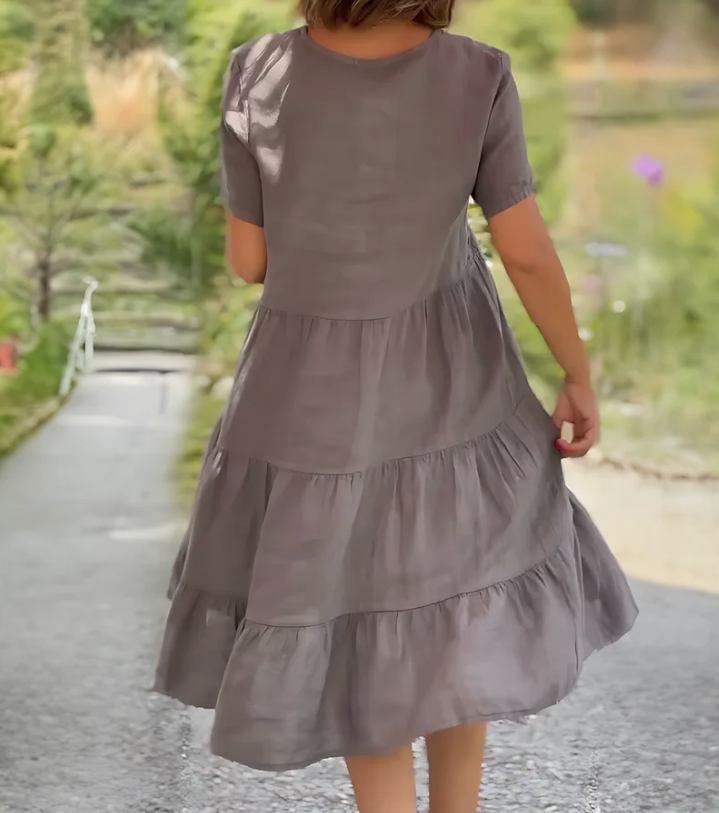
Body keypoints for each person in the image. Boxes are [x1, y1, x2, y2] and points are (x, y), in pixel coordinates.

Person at [154, 2, 639, 811]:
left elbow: (250, 260)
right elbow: (523, 250)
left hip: (307, 391)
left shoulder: (257, 71)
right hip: (453, 381)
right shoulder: (476, 73)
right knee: (458, 596)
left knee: (356, 608)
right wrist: (575, 372)